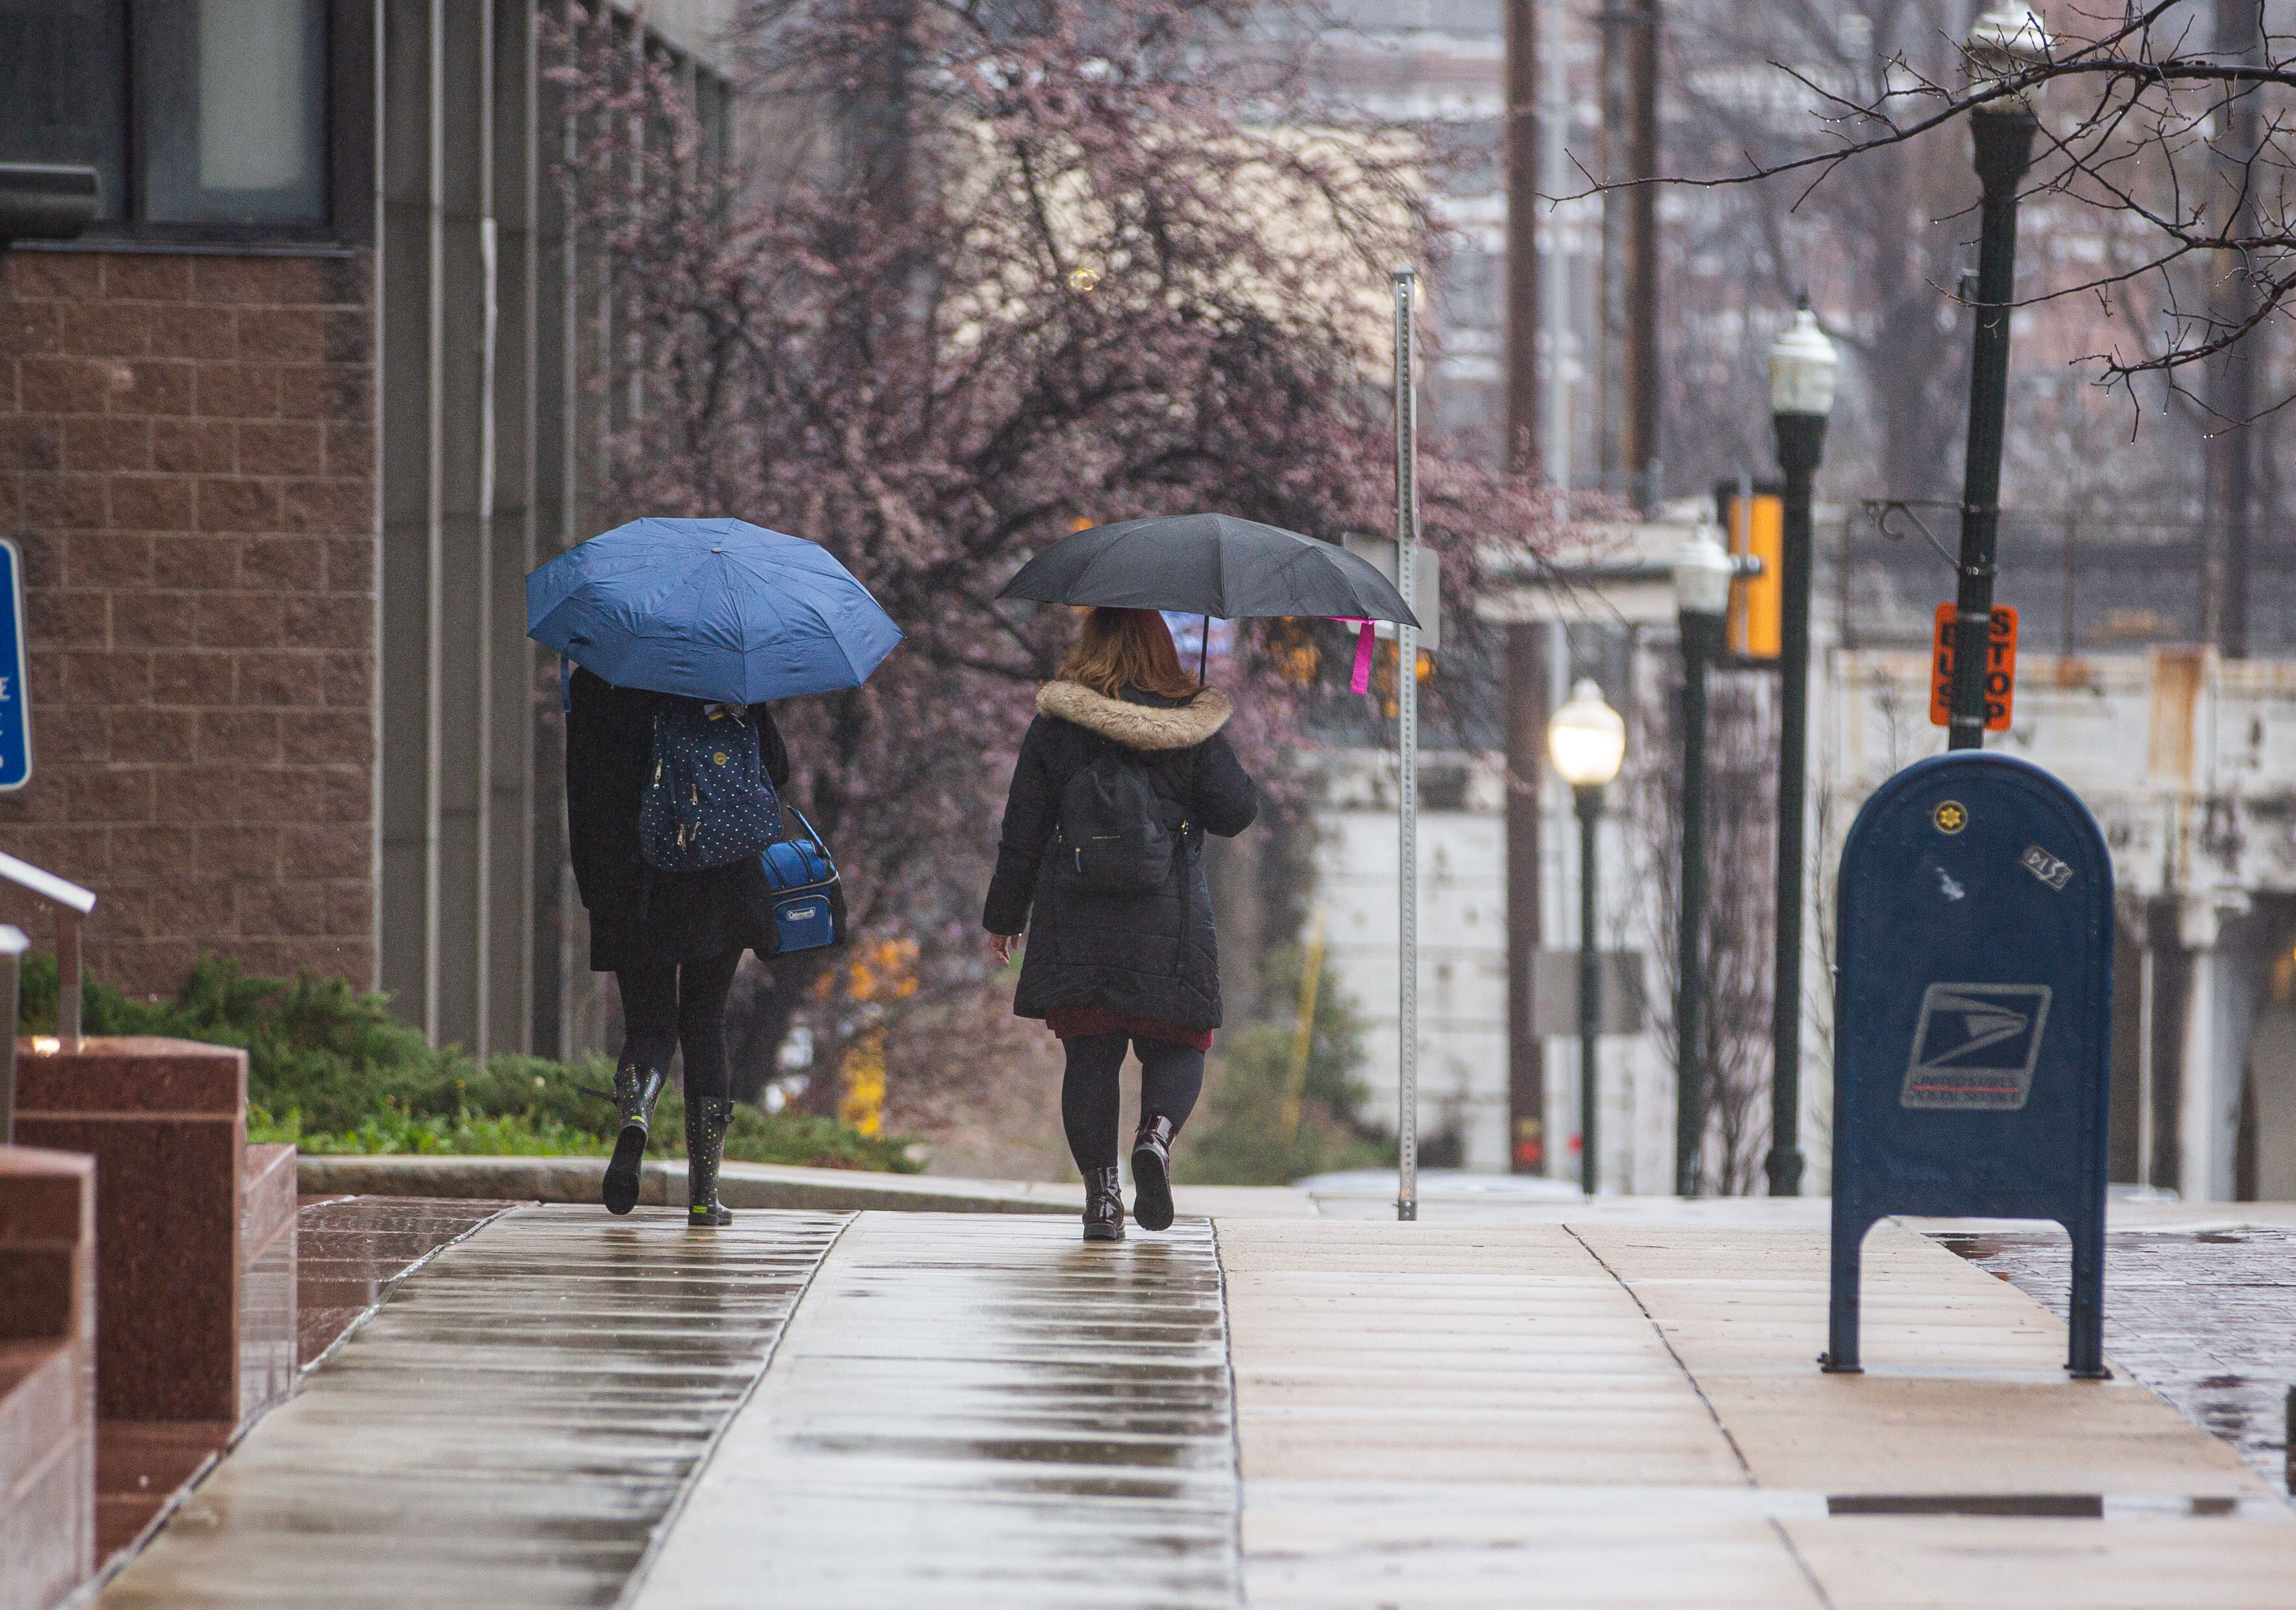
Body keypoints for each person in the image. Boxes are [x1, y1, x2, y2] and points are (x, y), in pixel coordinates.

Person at [984, 608, 1258, 1241]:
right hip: (1170, 918)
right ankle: (1154, 1139)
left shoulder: (1055, 727)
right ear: (1161, 650)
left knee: (1089, 1056)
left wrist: (1003, 917)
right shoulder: (1186, 724)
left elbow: (1020, 830)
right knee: (1180, 1041)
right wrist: (1200, 732)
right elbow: (1236, 812)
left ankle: (1102, 1199)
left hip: (1074, 919)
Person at [564, 665, 790, 1227]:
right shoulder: (729, 672)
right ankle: (703, 1194)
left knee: (649, 1027)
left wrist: (596, 887)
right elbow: (776, 768)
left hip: (635, 882)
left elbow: (581, 788)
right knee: (705, 1023)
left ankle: (637, 1111)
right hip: (720, 878)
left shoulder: (599, 678)